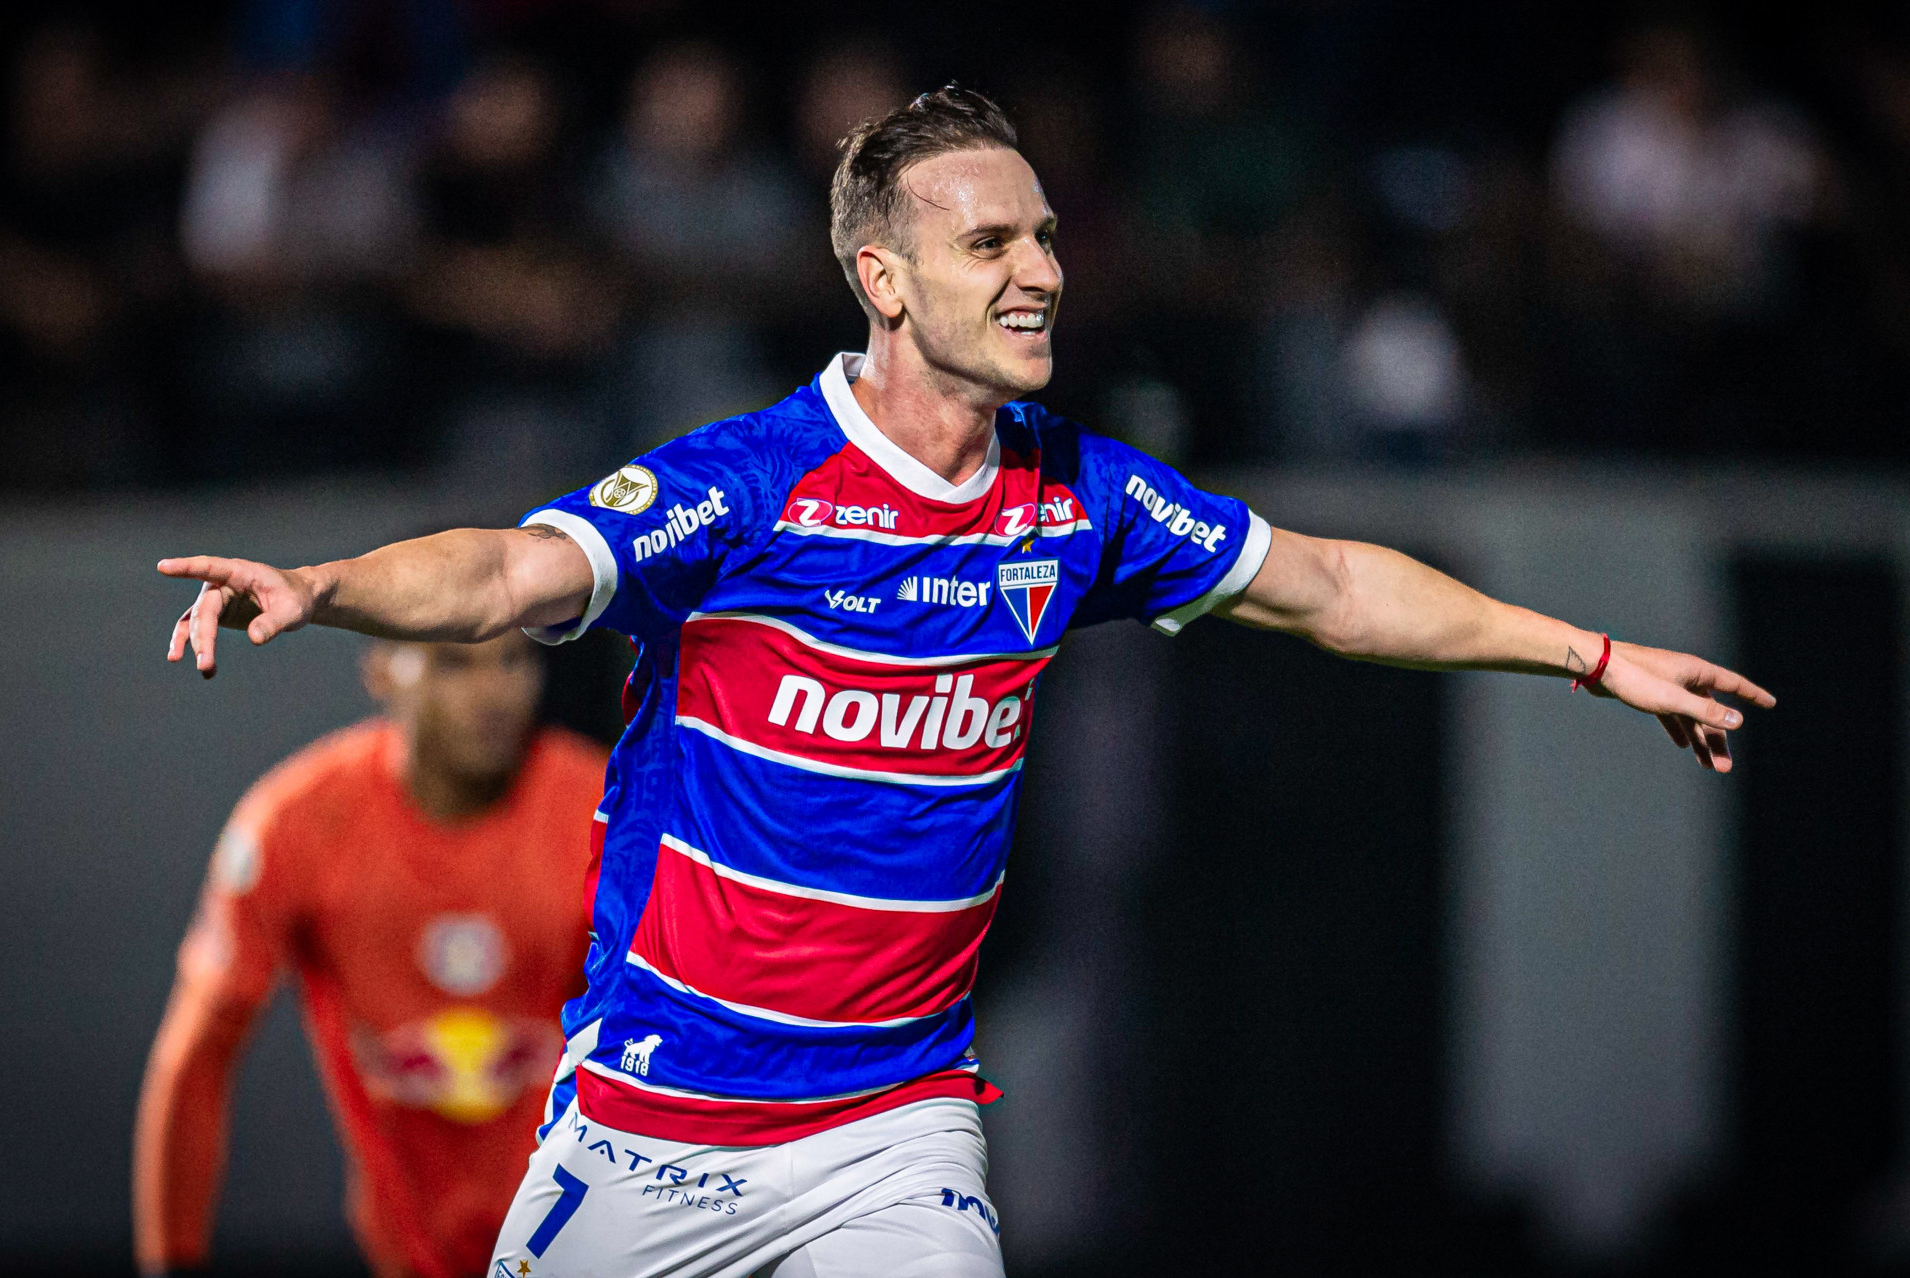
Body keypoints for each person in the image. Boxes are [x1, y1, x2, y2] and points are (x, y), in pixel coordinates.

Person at [155, 87, 1773, 1278]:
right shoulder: (750, 482)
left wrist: (1597, 653)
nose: (1042, 270)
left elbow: (1337, 585)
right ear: (881, 277)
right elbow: (507, 574)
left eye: (1048, 234)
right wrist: (324, 586)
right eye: (988, 238)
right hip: (652, 1125)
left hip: (889, 1129)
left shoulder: (1081, 495)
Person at [134, 631, 607, 1278]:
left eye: (514, 659)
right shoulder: (300, 824)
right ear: (381, 670)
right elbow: (198, 1054)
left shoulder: (607, 813)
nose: (493, 691)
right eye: (454, 660)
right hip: (403, 1254)